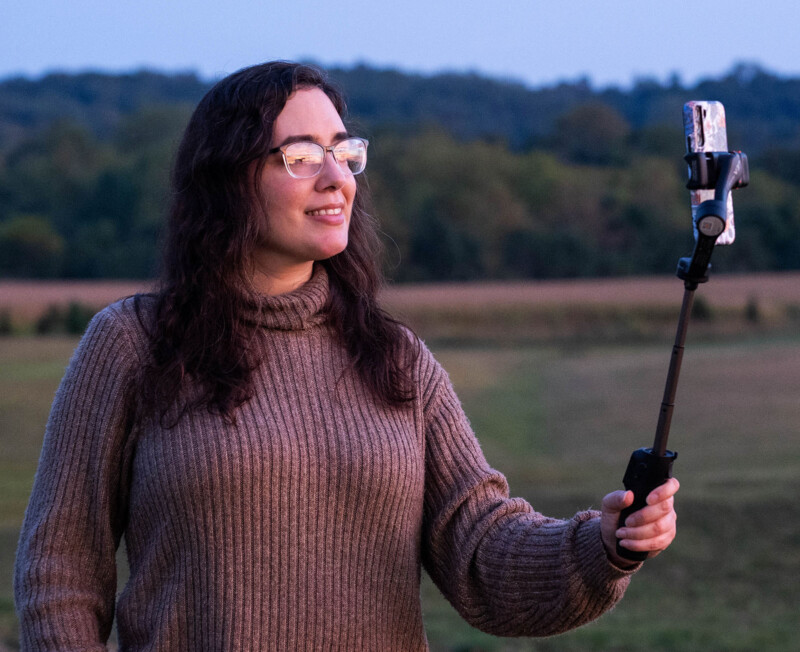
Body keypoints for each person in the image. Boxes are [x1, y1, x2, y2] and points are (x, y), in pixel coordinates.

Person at [14, 61, 679, 650]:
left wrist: (602, 545)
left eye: (344, 151)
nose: (336, 177)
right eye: (302, 155)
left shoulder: (396, 359)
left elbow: (480, 550)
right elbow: (59, 576)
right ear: (227, 177)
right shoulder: (133, 343)